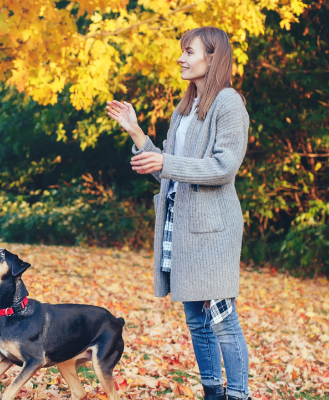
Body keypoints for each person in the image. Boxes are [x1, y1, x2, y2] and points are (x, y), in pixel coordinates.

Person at [106, 27, 251, 400]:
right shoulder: (184, 109)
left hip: (213, 230)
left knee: (222, 321)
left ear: (212, 56)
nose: (181, 59)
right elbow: (167, 171)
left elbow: (223, 166)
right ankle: (213, 394)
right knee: (197, 322)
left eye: (189, 52)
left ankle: (238, 395)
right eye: (181, 52)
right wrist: (137, 133)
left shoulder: (228, 103)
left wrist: (167, 161)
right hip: (182, 228)